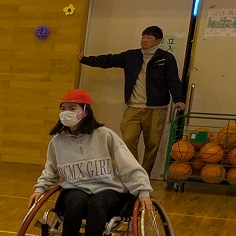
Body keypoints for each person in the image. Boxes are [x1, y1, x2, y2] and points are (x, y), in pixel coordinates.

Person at [30, 89, 152, 236]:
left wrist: (143, 190)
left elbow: (128, 165)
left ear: (85, 111)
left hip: (108, 188)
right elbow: (50, 171)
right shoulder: (57, 142)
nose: (66, 112)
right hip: (76, 188)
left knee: (97, 202)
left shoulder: (105, 135)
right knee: (75, 201)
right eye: (63, 108)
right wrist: (40, 189)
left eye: (72, 107)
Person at [78, 25, 186, 174]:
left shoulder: (166, 58)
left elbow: (174, 81)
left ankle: (144, 176)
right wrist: (85, 59)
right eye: (143, 37)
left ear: (158, 41)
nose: (144, 40)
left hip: (157, 109)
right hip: (133, 107)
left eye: (149, 37)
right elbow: (110, 60)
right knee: (128, 140)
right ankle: (134, 172)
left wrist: (178, 99)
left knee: (153, 144)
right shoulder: (131, 56)